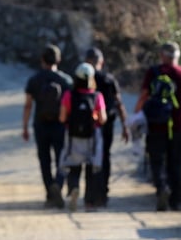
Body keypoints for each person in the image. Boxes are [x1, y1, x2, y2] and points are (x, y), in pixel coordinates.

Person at [134, 41, 181, 211]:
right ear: (177, 56)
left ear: (162, 55)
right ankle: (175, 201)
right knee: (175, 162)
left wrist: (136, 115)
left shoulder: (153, 72)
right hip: (177, 126)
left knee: (157, 161)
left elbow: (144, 95)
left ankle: (162, 189)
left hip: (155, 125)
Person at [22, 44, 74, 208]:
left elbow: (28, 105)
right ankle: (58, 184)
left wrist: (24, 126)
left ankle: (50, 194)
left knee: (44, 160)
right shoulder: (66, 80)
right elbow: (70, 105)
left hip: (41, 125)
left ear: (42, 60)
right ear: (58, 60)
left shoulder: (34, 79)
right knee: (61, 158)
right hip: (60, 125)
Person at [83, 47, 129, 209]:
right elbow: (119, 103)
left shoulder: (83, 77)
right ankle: (102, 195)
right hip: (107, 124)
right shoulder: (109, 79)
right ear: (100, 62)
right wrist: (125, 126)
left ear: (87, 61)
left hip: (87, 125)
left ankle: (89, 198)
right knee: (104, 158)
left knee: (90, 159)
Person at [58, 62, 107, 212]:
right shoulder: (97, 96)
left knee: (74, 167)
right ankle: (89, 202)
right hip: (92, 137)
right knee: (91, 169)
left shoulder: (69, 95)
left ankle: (74, 188)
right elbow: (103, 119)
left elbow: (62, 117)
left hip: (73, 137)